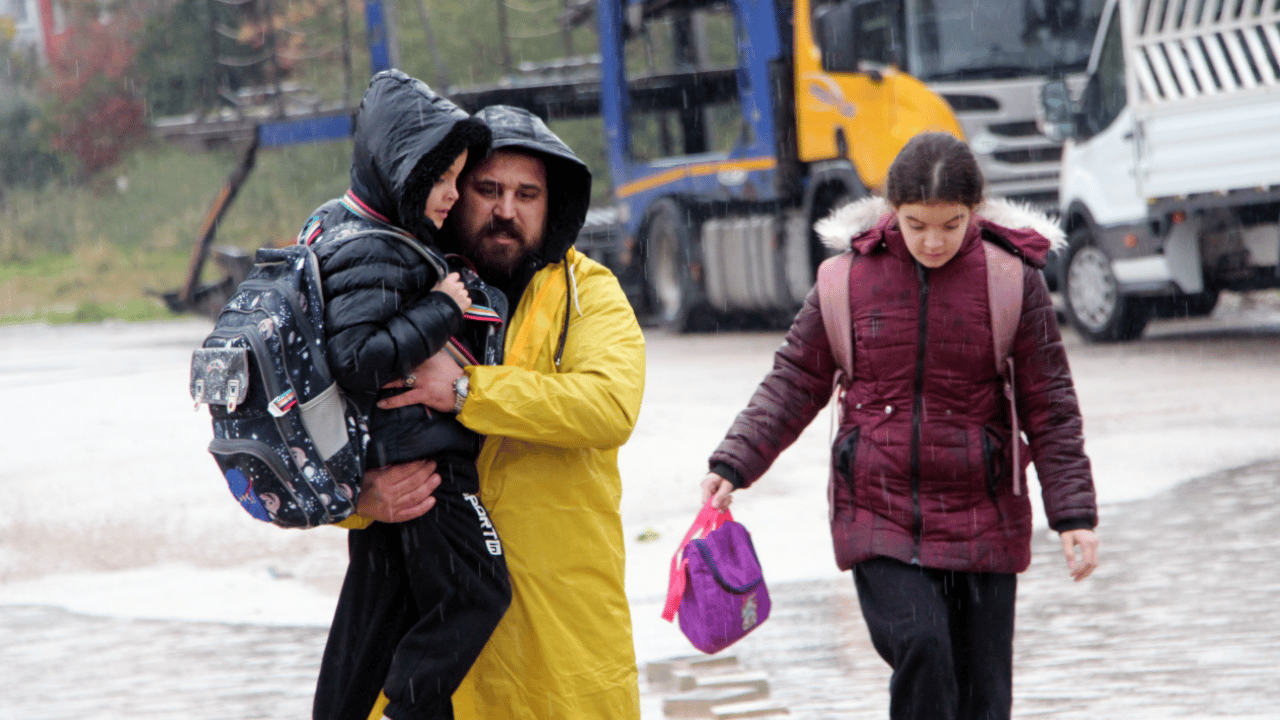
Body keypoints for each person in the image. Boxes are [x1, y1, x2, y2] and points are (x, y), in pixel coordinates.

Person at [699, 132, 1100, 720]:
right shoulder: (847, 281)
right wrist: (733, 463)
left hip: (982, 512)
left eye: (950, 224)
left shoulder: (1013, 281)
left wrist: (1074, 516)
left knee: (982, 696)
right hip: (878, 509)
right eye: (915, 224)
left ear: (974, 210)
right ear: (892, 210)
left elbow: (1051, 405)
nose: (933, 241)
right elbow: (793, 381)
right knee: (922, 648)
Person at [355, 105, 648, 719]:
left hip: (563, 650)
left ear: (554, 203)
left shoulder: (588, 293)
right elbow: (318, 435)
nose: (506, 210)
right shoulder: (397, 288)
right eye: (488, 189)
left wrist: (467, 392)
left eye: (526, 194)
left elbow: (609, 407)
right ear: (455, 193)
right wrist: (359, 501)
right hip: (432, 653)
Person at [302, 70, 512, 720]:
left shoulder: (335, 228)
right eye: (443, 178)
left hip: (389, 466)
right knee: (479, 591)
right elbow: (357, 358)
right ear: (402, 169)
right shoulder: (378, 247)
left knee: (368, 634)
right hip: (425, 467)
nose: (452, 195)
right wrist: (443, 309)